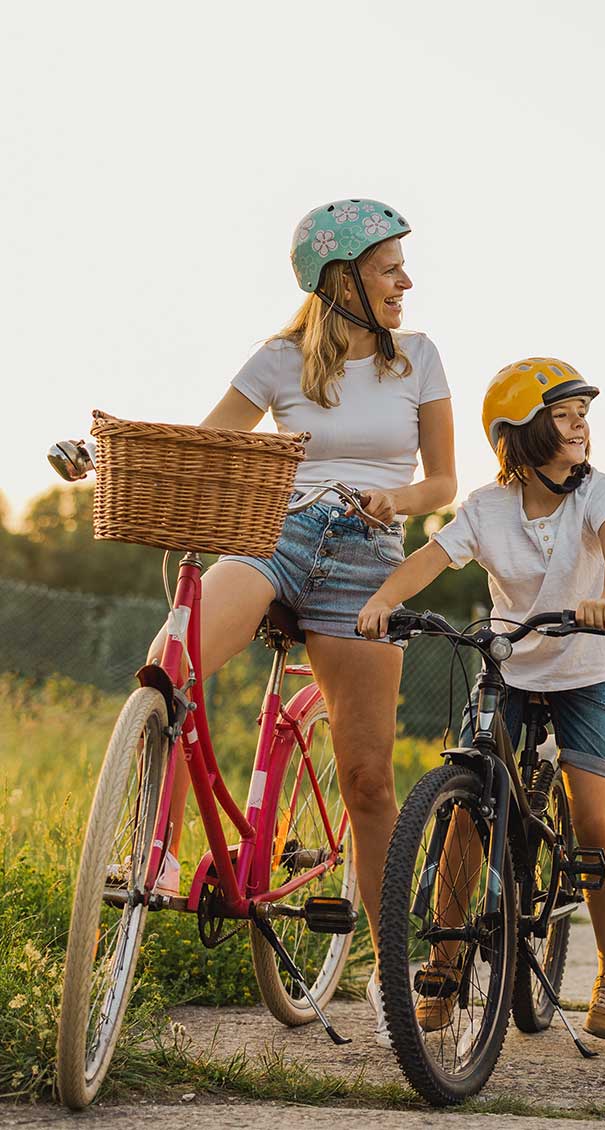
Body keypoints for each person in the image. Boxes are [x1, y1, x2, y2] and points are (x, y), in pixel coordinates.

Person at [149, 198, 456, 1046]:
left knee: (367, 780)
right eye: (390, 266)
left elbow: (442, 485)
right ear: (342, 276)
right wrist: (107, 451)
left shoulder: (419, 358)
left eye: (403, 266)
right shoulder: (281, 360)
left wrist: (399, 497)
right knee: (168, 664)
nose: (406, 280)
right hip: (274, 535)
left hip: (367, 555)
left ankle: (392, 975)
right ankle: (153, 848)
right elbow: (210, 444)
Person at [358, 357, 605, 1040]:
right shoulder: (487, 507)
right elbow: (431, 557)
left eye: (584, 416)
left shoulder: (595, 493)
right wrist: (383, 599)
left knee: (594, 820)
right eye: (566, 416)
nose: (581, 427)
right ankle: (445, 961)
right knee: (466, 814)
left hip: (579, 670)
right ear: (523, 433)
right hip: (508, 666)